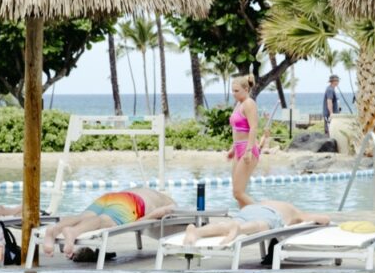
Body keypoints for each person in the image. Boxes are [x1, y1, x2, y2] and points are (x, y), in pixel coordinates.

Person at [38, 188, 177, 258]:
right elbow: (164, 211)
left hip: (111, 197)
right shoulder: (169, 202)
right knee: (104, 220)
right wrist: (143, 219)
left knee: (84, 216)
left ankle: (54, 229)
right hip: (131, 204)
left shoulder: (148, 191)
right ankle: (73, 232)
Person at [179, 198, 330, 246]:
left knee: (224, 226)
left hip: (249, 209)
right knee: (261, 225)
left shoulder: (267, 201)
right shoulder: (296, 212)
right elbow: (323, 219)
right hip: (269, 214)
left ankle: (196, 231)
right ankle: (240, 229)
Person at [228, 74, 266, 207]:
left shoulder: (249, 103)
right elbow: (236, 129)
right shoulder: (239, 104)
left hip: (247, 148)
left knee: (238, 192)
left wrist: (249, 151)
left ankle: (264, 213)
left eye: (236, 91)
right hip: (238, 149)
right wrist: (233, 149)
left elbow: (253, 127)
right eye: (232, 91)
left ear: (246, 89)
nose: (234, 94)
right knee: (237, 193)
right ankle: (245, 219)